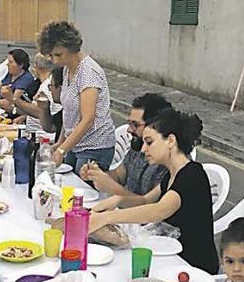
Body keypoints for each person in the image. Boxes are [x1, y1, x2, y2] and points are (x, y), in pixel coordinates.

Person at [88, 109, 218, 273]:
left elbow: (158, 210)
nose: (143, 149)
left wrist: (107, 217)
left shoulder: (192, 175)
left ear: (170, 140)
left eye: (149, 142)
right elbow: (145, 201)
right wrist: (117, 200)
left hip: (192, 265)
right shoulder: (170, 174)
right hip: (169, 253)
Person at [37, 20, 115, 173]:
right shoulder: (67, 69)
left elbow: (87, 119)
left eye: (58, 54)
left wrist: (62, 150)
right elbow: (69, 113)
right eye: (51, 55)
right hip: (76, 143)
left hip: (95, 145)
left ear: (71, 48)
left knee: (80, 190)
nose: (55, 60)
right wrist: (60, 143)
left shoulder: (88, 72)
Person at [81, 93, 171, 196]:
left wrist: (113, 188)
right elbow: (119, 175)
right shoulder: (137, 145)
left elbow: (148, 206)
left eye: (135, 125)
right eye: (129, 123)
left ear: (154, 126)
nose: (129, 130)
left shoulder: (167, 163)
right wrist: (96, 175)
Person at [2, 53, 63, 137]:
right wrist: (24, 116)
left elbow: (39, 111)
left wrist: (13, 99)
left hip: (42, 136)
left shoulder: (48, 85)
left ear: (37, 66)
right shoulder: (44, 84)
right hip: (36, 132)